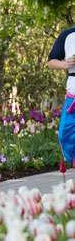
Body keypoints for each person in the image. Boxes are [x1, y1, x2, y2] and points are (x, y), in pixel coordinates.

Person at [47, 26, 75, 166]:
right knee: (65, 133)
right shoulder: (68, 35)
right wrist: (65, 64)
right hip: (72, 95)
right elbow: (51, 61)